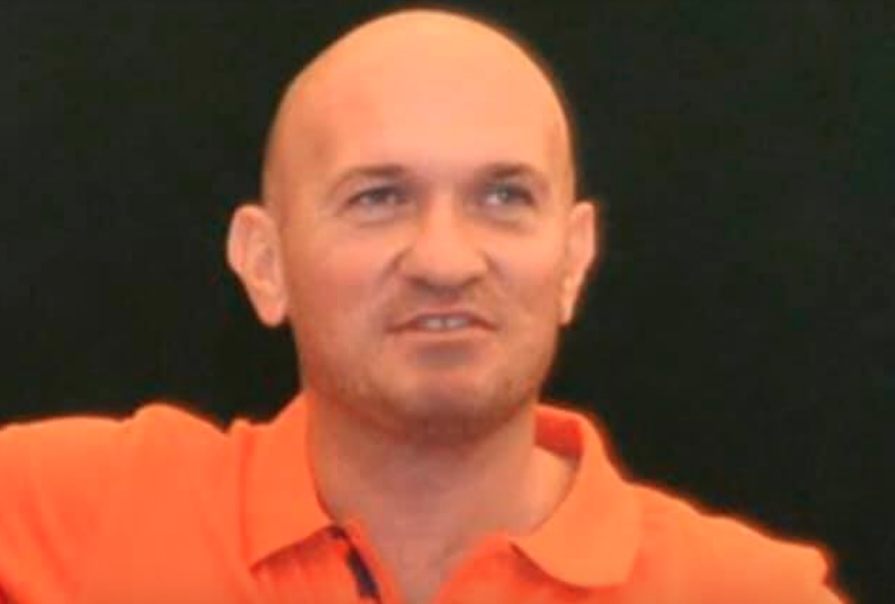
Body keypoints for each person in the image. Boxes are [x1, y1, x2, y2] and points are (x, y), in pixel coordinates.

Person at [0, 8, 847, 604]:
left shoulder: (745, 593)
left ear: (573, 258)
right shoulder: (58, 515)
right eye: (377, 198)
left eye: (504, 197)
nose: (445, 260)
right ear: (265, 263)